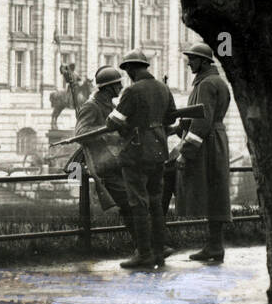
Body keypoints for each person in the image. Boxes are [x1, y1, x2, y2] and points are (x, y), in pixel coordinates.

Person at [106, 49, 175, 269]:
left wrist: (128, 124)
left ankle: (143, 253)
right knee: (156, 202)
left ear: (132, 69)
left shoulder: (132, 91)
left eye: (127, 70)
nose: (127, 74)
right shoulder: (164, 88)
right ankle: (160, 249)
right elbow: (171, 117)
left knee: (137, 202)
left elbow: (113, 123)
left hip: (136, 151)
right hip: (159, 150)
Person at [176, 43, 232, 262]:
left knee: (212, 193)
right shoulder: (214, 81)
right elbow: (200, 114)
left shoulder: (207, 84)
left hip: (207, 143)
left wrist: (185, 152)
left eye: (192, 58)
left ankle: (215, 246)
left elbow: (202, 120)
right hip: (214, 139)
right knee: (215, 193)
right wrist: (177, 128)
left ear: (203, 61)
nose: (189, 61)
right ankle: (214, 246)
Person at [71, 66, 133, 233]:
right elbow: (80, 132)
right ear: (108, 88)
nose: (121, 87)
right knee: (129, 204)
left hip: (115, 161)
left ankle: (145, 248)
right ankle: (144, 248)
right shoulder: (91, 106)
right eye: (117, 84)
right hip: (103, 165)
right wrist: (108, 132)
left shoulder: (109, 105)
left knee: (133, 204)